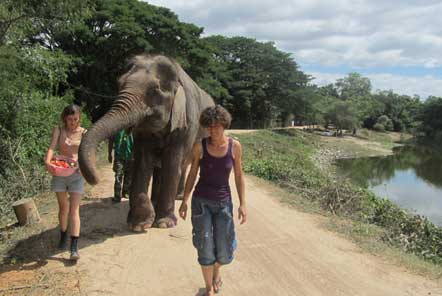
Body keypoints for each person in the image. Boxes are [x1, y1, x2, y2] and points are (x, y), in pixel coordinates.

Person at [178, 105, 247, 296]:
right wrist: (184, 200)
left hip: (224, 203)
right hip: (201, 203)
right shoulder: (200, 146)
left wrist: (243, 204)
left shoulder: (235, 147)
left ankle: (217, 270)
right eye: (209, 126)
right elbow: (192, 174)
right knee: (205, 245)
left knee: (224, 251)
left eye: (216, 126)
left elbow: (239, 176)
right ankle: (208, 288)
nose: (213, 130)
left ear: (224, 125)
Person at [44, 104, 86, 261]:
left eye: (75, 119)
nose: (73, 123)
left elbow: (89, 152)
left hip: (76, 174)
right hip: (59, 172)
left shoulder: (84, 133)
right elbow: (52, 148)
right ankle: (63, 235)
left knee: (74, 211)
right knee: (63, 208)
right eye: (70, 120)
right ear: (64, 119)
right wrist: (48, 161)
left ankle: (74, 248)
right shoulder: (59, 130)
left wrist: (84, 167)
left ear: (79, 118)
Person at [108, 129, 133, 203]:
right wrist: (109, 154)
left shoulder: (133, 129)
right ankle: (117, 196)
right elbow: (111, 141)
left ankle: (125, 193)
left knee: (128, 176)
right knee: (118, 175)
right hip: (119, 157)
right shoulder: (117, 129)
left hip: (131, 157)